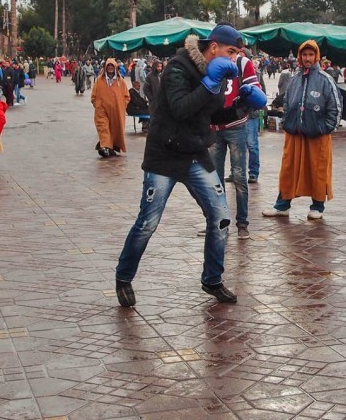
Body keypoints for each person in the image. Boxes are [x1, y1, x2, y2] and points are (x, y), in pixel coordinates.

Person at [115, 25, 243, 307]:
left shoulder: (217, 71)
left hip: (196, 153)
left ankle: (212, 279)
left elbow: (211, 113)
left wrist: (240, 107)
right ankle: (123, 277)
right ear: (213, 48)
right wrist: (209, 84)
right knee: (148, 222)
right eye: (230, 52)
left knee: (221, 217)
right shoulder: (177, 68)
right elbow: (180, 108)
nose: (233, 59)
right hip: (165, 155)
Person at [262, 40, 342, 220]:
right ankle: (282, 205)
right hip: (295, 135)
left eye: (311, 55)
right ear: (300, 56)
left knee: (318, 170)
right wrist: (289, 123)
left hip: (317, 136)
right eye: (304, 55)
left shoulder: (325, 80)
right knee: (288, 169)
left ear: (316, 57)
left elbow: (335, 108)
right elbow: (288, 103)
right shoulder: (294, 79)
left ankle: (317, 206)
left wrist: (325, 128)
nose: (307, 58)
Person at [208, 45, 266, 239]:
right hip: (214, 127)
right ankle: (218, 221)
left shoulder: (242, 63)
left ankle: (242, 223)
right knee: (215, 180)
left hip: (235, 126)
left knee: (240, 177)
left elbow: (256, 92)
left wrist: (244, 106)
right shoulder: (210, 60)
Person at [91, 58, 129, 157]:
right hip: (102, 110)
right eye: (108, 66)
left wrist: (122, 105)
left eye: (112, 66)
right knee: (104, 128)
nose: (110, 68)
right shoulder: (99, 80)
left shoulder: (120, 81)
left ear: (116, 68)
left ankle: (112, 147)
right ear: (105, 68)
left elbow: (127, 96)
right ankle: (105, 147)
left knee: (115, 129)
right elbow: (93, 96)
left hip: (117, 111)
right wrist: (97, 105)